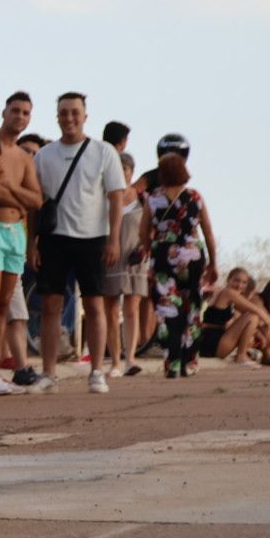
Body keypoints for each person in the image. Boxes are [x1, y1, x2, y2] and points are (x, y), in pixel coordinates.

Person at [28, 92, 128, 393]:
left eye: (75, 112)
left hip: (93, 238)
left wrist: (113, 239)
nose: (69, 118)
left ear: (85, 116)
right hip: (54, 238)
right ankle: (48, 373)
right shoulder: (44, 155)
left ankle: (97, 370)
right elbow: (36, 204)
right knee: (50, 305)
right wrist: (32, 243)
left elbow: (116, 197)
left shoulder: (104, 151)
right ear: (57, 116)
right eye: (64, 112)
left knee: (94, 304)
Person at [0, 109, 41, 397]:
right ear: (4, 112)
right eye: (15, 110)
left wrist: (11, 188)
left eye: (26, 112)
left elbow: (36, 200)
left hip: (17, 233)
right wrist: (17, 196)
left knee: (3, 306)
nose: (20, 116)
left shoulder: (24, 158)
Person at [138, 152, 216, 379]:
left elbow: (143, 232)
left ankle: (171, 363)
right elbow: (208, 232)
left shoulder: (153, 198)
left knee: (167, 309)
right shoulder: (195, 197)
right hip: (192, 254)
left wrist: (153, 247)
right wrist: (213, 262)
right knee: (191, 307)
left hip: (164, 253)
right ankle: (189, 361)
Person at [100, 153, 149, 379]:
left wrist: (144, 247)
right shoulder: (103, 197)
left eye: (126, 170)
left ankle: (130, 358)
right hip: (110, 254)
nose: (123, 173)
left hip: (135, 257)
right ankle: (115, 361)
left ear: (132, 172)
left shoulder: (142, 198)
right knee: (110, 309)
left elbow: (151, 227)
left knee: (132, 307)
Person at [198, 268, 270, 365]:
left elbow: (246, 319)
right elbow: (257, 311)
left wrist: (264, 334)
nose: (240, 285)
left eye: (244, 283)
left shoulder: (230, 299)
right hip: (211, 341)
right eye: (236, 280)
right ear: (228, 280)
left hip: (214, 340)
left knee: (253, 318)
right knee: (253, 317)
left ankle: (245, 355)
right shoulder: (228, 293)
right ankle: (241, 356)